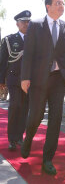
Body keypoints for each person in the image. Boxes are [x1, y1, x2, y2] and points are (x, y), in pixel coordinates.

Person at [20, 0, 65, 175]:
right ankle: (28, 139)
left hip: (58, 79)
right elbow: (28, 53)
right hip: (38, 80)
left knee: (56, 119)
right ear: (48, 6)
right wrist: (25, 77)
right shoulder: (35, 25)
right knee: (35, 116)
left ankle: (47, 159)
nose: (62, 6)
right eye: (58, 3)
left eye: (63, 3)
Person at [0, 10, 31, 151]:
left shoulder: (34, 39)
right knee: (15, 106)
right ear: (17, 24)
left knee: (25, 108)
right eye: (23, 21)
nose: (26, 24)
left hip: (30, 80)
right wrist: (1, 80)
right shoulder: (9, 40)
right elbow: (2, 61)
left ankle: (19, 136)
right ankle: (12, 138)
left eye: (28, 21)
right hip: (14, 78)